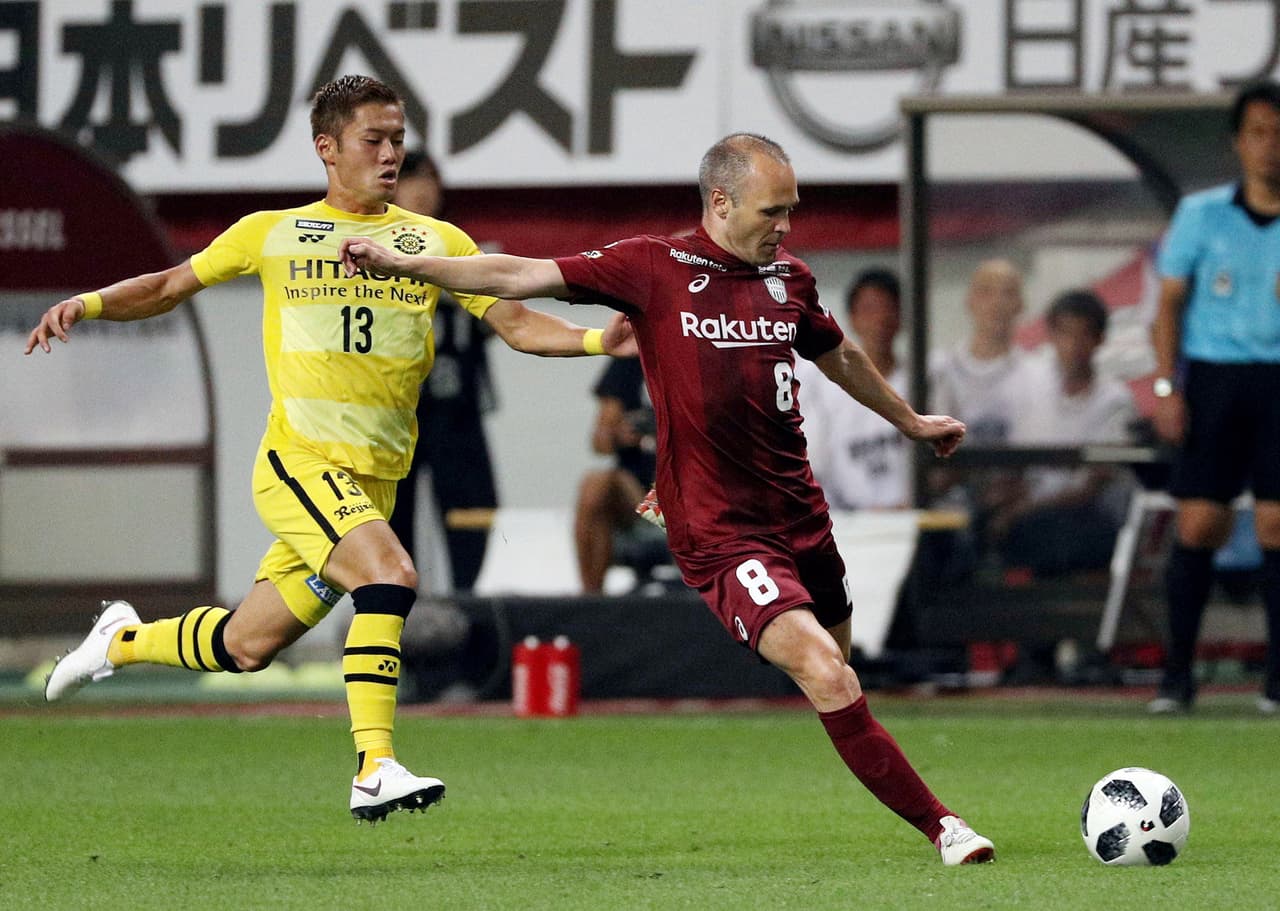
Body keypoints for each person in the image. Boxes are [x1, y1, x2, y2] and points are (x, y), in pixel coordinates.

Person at [340, 132, 996, 864]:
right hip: (720, 531)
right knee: (824, 668)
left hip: (802, 516)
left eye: (793, 212)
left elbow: (837, 353)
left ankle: (781, 641)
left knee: (836, 674)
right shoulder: (653, 266)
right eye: (772, 211)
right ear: (720, 201)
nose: (785, 227)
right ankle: (946, 826)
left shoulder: (790, 279)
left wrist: (909, 420)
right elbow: (520, 272)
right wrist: (407, 263)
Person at [24, 74, 633, 822]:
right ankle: (374, 765)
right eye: (373, 141)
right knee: (392, 574)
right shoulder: (272, 232)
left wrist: (605, 338)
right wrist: (84, 303)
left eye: (398, 141)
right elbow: (168, 286)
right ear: (327, 147)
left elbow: (517, 324)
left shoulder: (433, 243)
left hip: (371, 484)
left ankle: (120, 641)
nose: (390, 156)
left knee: (248, 644)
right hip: (300, 465)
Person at [1147, 79, 1280, 715]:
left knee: (1279, 524)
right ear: (1239, 142)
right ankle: (1176, 678)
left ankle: (1275, 682)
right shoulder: (1202, 214)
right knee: (1201, 521)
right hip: (1215, 378)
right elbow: (1168, 305)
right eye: (1259, 133)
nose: (1271, 147)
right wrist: (1169, 385)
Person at [388, 150, 497, 592]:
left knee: (473, 516)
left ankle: (476, 616)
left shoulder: (464, 249)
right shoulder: (373, 248)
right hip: (396, 411)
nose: (423, 189)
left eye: (431, 179)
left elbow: (499, 320)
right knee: (392, 523)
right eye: (412, 179)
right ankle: (392, 618)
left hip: (457, 409)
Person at [989, 290, 1137, 576]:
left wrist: (1025, 508)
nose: (1073, 345)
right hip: (1028, 514)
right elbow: (1011, 463)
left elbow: (1092, 487)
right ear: (1052, 336)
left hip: (1086, 518)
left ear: (1100, 340)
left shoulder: (1116, 401)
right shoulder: (1028, 385)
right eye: (1065, 334)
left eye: (1084, 335)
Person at [797, 267, 910, 510]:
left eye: (889, 308)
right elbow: (814, 468)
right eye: (869, 309)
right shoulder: (821, 385)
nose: (880, 319)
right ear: (852, 318)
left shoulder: (922, 380)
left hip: (916, 519)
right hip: (850, 526)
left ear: (902, 315)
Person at [574, 356, 663, 593]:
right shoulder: (631, 360)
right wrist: (619, 433)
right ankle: (591, 600)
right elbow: (599, 442)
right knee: (594, 485)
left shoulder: (698, 356)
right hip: (644, 500)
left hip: (689, 495)